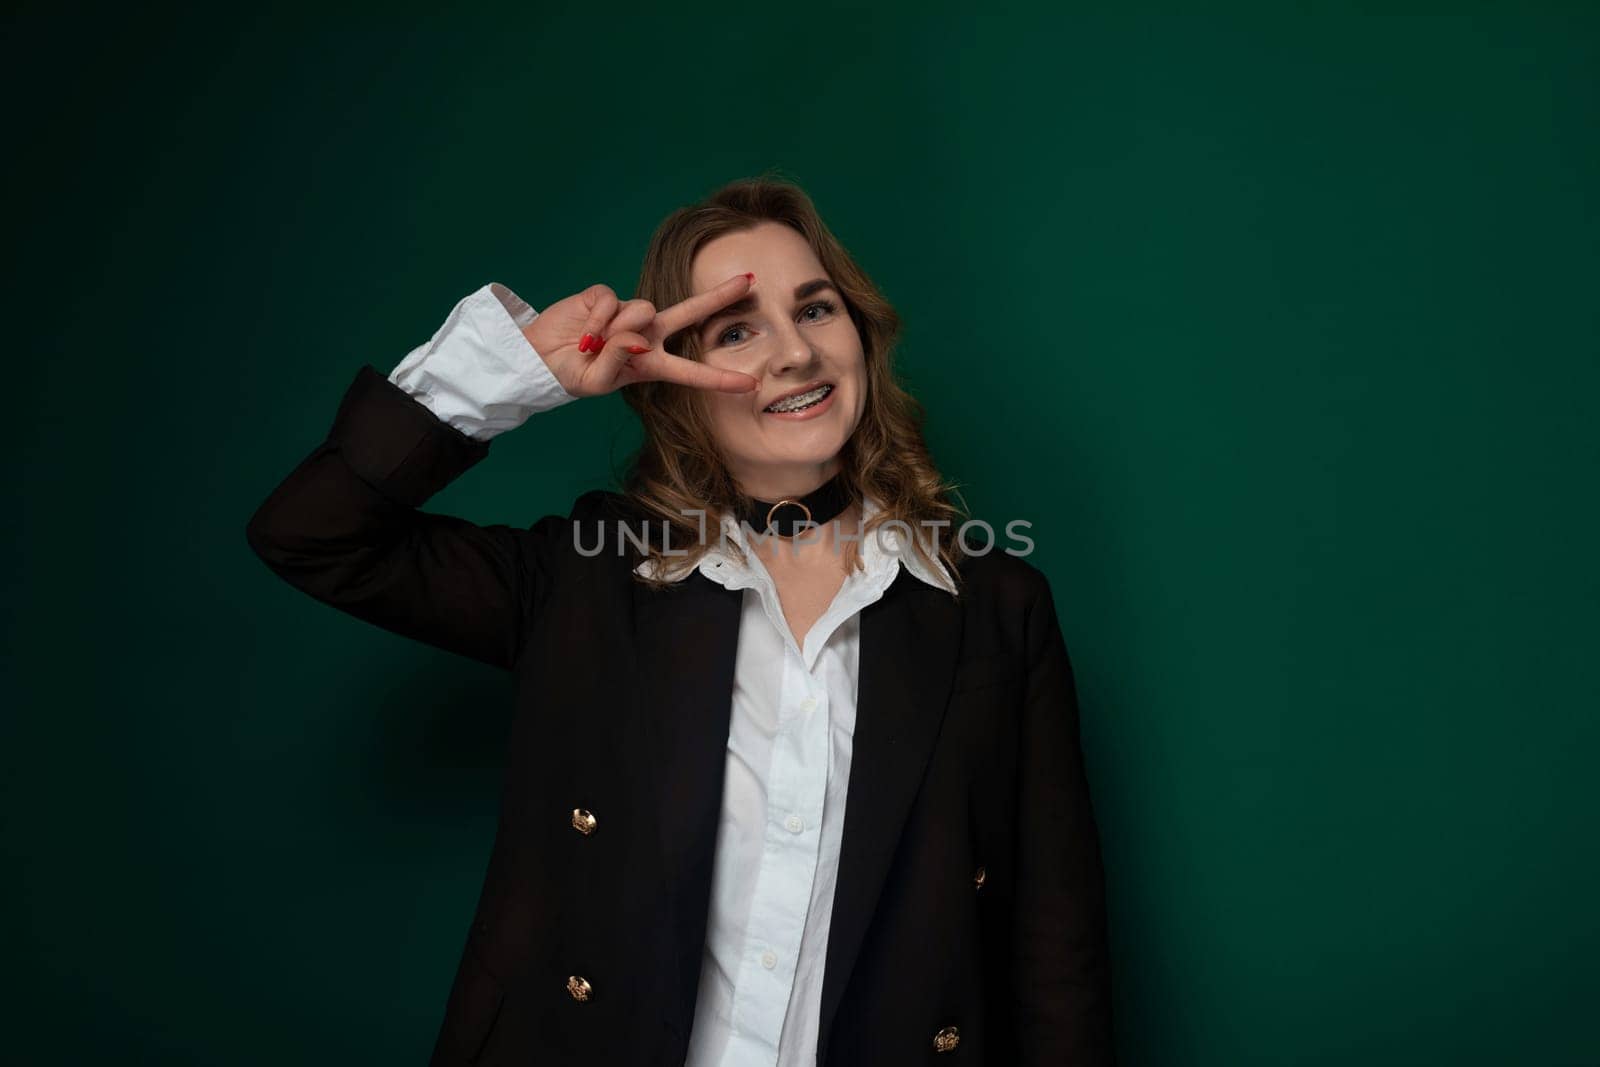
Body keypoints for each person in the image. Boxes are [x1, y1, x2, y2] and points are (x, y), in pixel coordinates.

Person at [245, 177, 1116, 1066]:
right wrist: (517, 373)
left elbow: (1056, 949)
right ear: (674, 387)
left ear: (859, 334)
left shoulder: (998, 606)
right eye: (737, 330)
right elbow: (312, 536)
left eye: (815, 309)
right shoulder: (587, 577)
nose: (793, 355)